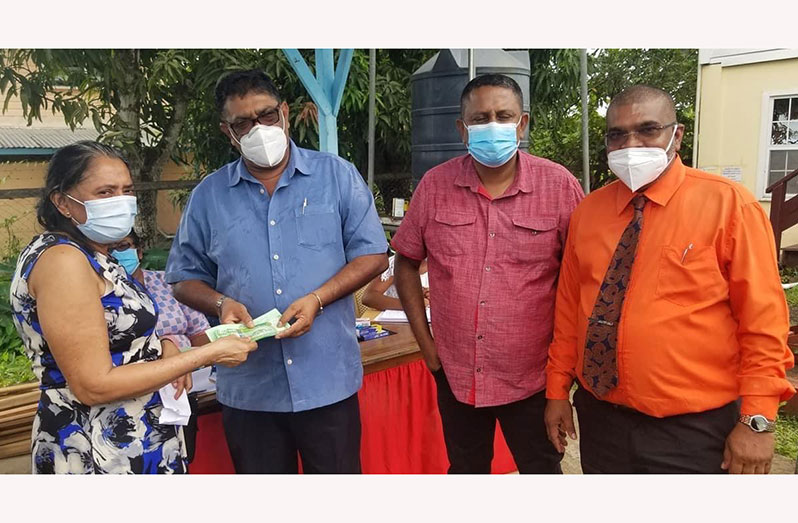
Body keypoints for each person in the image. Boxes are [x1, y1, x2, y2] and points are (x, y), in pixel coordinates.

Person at [544, 85, 796, 474]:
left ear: (676, 135)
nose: (632, 144)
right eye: (617, 134)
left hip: (692, 430)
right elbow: (569, 312)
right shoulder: (588, 213)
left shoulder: (729, 205)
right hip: (601, 420)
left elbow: (763, 323)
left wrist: (757, 420)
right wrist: (558, 390)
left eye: (647, 129)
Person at [165, 69, 388, 474]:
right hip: (250, 389)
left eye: (266, 115)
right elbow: (182, 277)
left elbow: (373, 255)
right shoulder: (208, 197)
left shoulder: (336, 176)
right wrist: (221, 302)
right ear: (227, 131)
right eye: (243, 123)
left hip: (327, 381)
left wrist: (318, 299)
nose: (258, 129)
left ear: (284, 113)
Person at [9, 141, 257, 474]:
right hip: (97, 448)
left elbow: (119, 342)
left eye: (126, 190)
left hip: (137, 438)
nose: (121, 202)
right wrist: (205, 355)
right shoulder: (63, 261)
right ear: (62, 202)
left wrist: (165, 346)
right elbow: (93, 383)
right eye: (105, 192)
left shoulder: (96, 254)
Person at [391, 74, 584, 473]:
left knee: (541, 471)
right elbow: (405, 262)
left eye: (504, 115)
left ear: (522, 123)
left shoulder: (559, 186)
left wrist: (562, 380)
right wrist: (427, 346)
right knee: (466, 470)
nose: (492, 125)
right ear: (462, 130)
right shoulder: (434, 186)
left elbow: (578, 281)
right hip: (456, 374)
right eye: (480, 118)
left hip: (533, 379)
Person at [111, 230, 212, 463]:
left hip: (182, 389)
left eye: (124, 246)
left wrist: (195, 354)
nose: (118, 253)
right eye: (111, 249)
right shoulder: (104, 294)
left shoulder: (165, 283)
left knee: (180, 460)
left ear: (139, 250)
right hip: (132, 397)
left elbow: (201, 335)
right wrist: (166, 345)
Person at [361, 249, 428, 311]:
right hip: (396, 321)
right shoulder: (396, 265)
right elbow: (369, 297)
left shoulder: (436, 264)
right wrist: (410, 305)